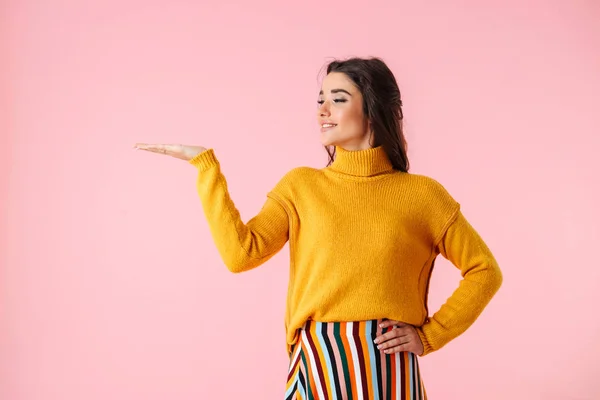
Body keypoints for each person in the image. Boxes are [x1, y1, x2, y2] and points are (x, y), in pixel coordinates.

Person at [135, 57, 502, 400]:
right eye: (320, 99)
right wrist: (205, 167)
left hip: (385, 364)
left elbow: (485, 271)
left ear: (372, 108)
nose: (322, 111)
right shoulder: (301, 186)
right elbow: (240, 254)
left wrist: (430, 336)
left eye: (338, 99)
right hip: (316, 359)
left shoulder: (422, 195)